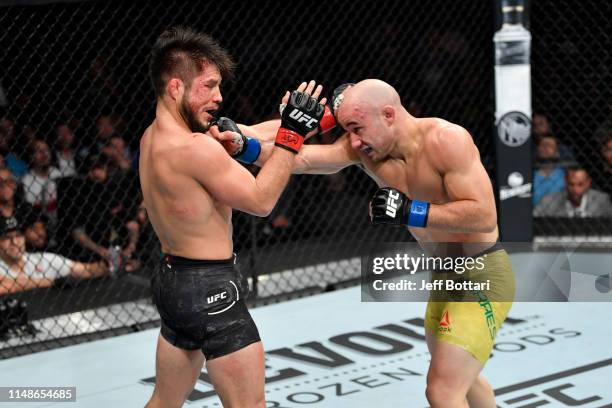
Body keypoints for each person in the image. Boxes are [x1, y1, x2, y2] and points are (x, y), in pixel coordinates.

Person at [219, 79, 515, 408]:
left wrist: (411, 211)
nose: (354, 141)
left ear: (388, 114)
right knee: (465, 379)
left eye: (357, 128)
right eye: (348, 129)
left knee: (443, 391)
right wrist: (245, 144)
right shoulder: (368, 148)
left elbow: (484, 216)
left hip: (482, 273)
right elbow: (303, 159)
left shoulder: (447, 140)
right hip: (444, 274)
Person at [140, 26, 325, 408]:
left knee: (165, 400)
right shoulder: (195, 149)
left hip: (173, 281)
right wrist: (291, 134)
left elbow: (251, 131)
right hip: (211, 290)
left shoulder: (152, 138)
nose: (218, 97)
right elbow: (261, 201)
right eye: (208, 85)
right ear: (176, 87)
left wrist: (321, 118)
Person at [0, 215, 112, 295]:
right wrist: (54, 282)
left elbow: (86, 270)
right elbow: (8, 286)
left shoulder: (43, 259)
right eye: (6, 238)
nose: (14, 242)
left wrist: (110, 264)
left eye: (18, 236)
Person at [534, 166, 612, 217]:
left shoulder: (602, 201)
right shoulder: (549, 201)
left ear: (588, 183)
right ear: (565, 181)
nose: (575, 189)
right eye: (571, 184)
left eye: (580, 184)